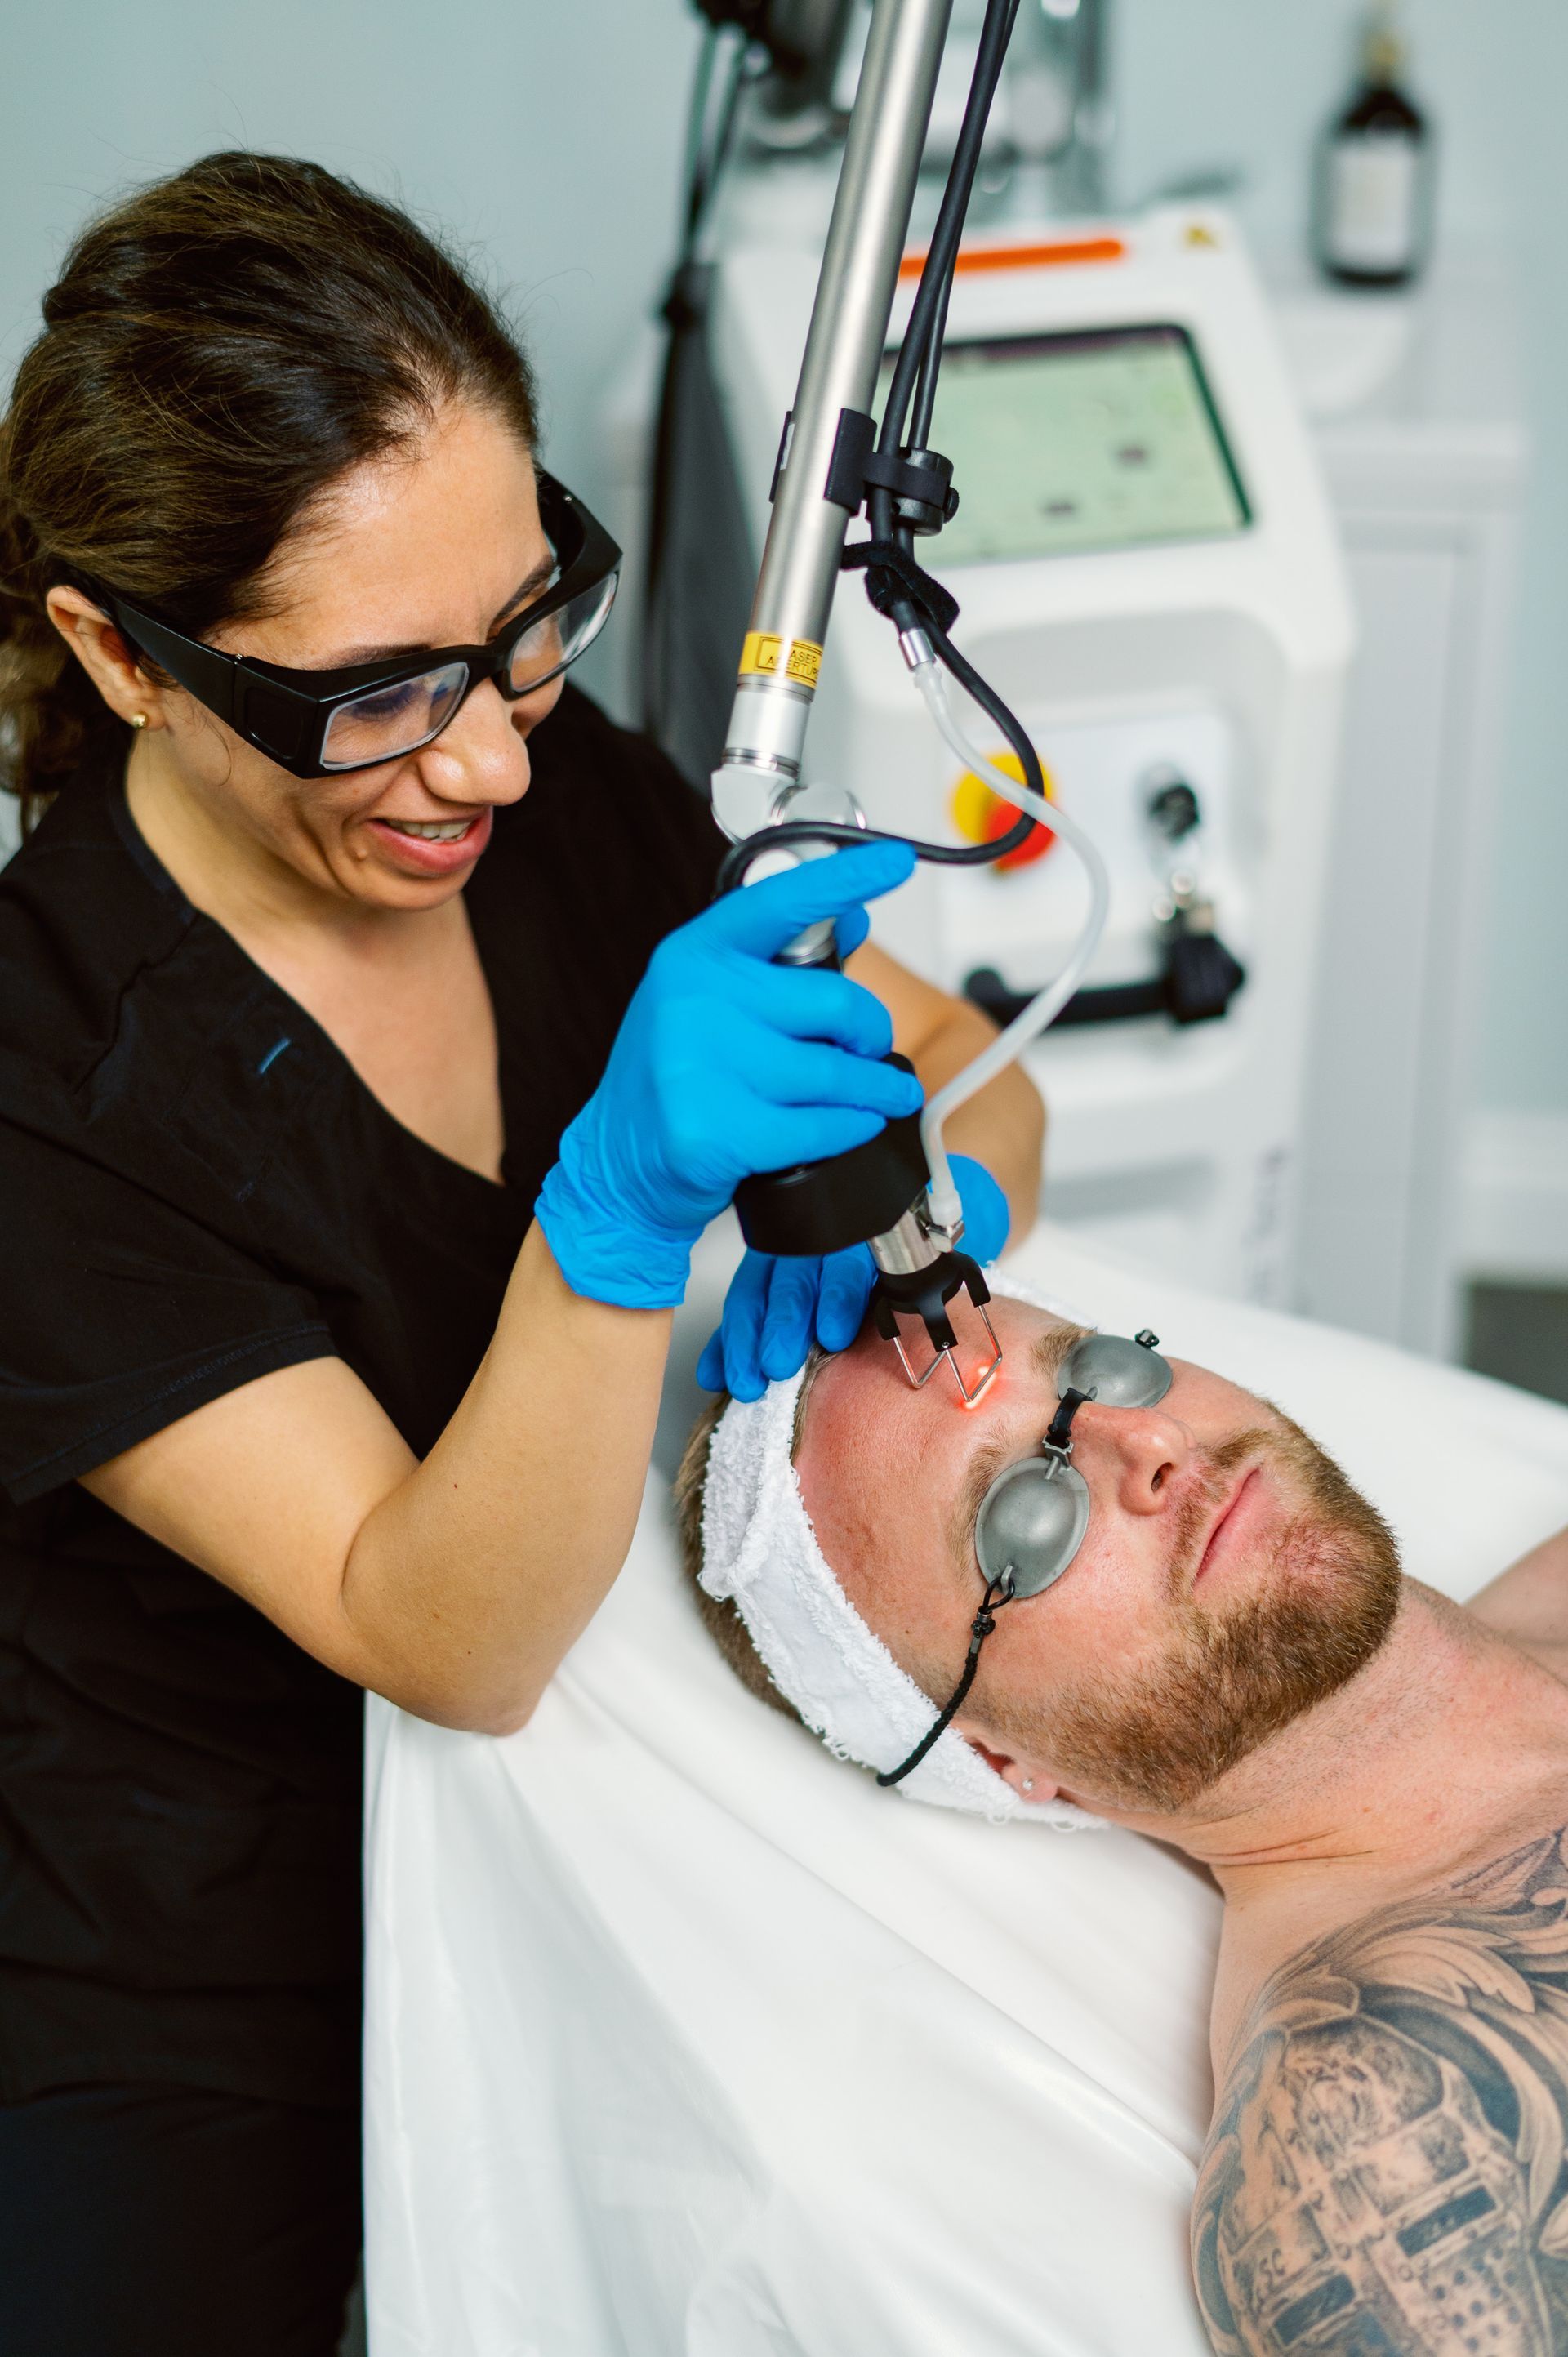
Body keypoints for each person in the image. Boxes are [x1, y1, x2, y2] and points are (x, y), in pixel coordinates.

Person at [0, 152, 1044, 2356]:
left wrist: (911, 1207)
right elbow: (431, 1627)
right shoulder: (39, 1068)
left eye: (525, 621)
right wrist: (613, 1227)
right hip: (193, 1932)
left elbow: (967, 1065)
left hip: (619, 1767)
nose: (485, 750)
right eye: (371, 693)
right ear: (120, 651)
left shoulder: (562, 794)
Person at [675, 1287, 1568, 2355]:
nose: (1149, 1441)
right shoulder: (1368, 2132)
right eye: (1022, 1517)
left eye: (1099, 1365)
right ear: (998, 1759)